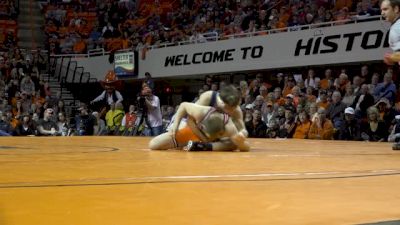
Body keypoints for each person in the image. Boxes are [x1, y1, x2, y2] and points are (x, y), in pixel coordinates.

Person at [149, 102, 250, 152]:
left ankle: (203, 146)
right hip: (191, 132)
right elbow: (183, 105)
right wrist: (175, 126)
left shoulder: (229, 127)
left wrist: (240, 142)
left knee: (232, 144)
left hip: (206, 141)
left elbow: (244, 148)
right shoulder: (203, 111)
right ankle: (195, 145)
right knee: (154, 145)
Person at [381, 0, 400, 149]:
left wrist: (393, 58)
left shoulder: (397, 28)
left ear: (396, 9)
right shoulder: (395, 27)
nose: (382, 13)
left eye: (386, 9)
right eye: (381, 10)